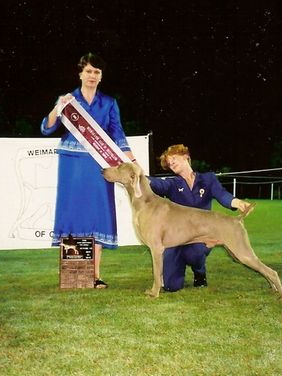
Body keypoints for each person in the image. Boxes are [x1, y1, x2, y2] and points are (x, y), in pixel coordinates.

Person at [41, 52, 136, 288]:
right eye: (89, 71)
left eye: (97, 72)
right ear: (80, 73)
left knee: (98, 215)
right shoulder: (68, 100)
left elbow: (118, 134)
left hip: (100, 166)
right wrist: (57, 107)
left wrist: (133, 162)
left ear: (101, 77)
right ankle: (75, 276)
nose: (92, 75)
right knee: (74, 214)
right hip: (72, 164)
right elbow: (46, 128)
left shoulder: (109, 103)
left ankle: (94, 276)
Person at [147, 144, 250, 292]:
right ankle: (174, 274)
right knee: (171, 286)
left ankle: (199, 272)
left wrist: (237, 202)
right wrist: (137, 175)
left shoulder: (208, 179)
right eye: (169, 163)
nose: (172, 164)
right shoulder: (172, 184)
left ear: (186, 157)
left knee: (194, 253)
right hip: (175, 239)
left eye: (174, 159)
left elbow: (222, 195)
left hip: (201, 235)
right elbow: (155, 183)